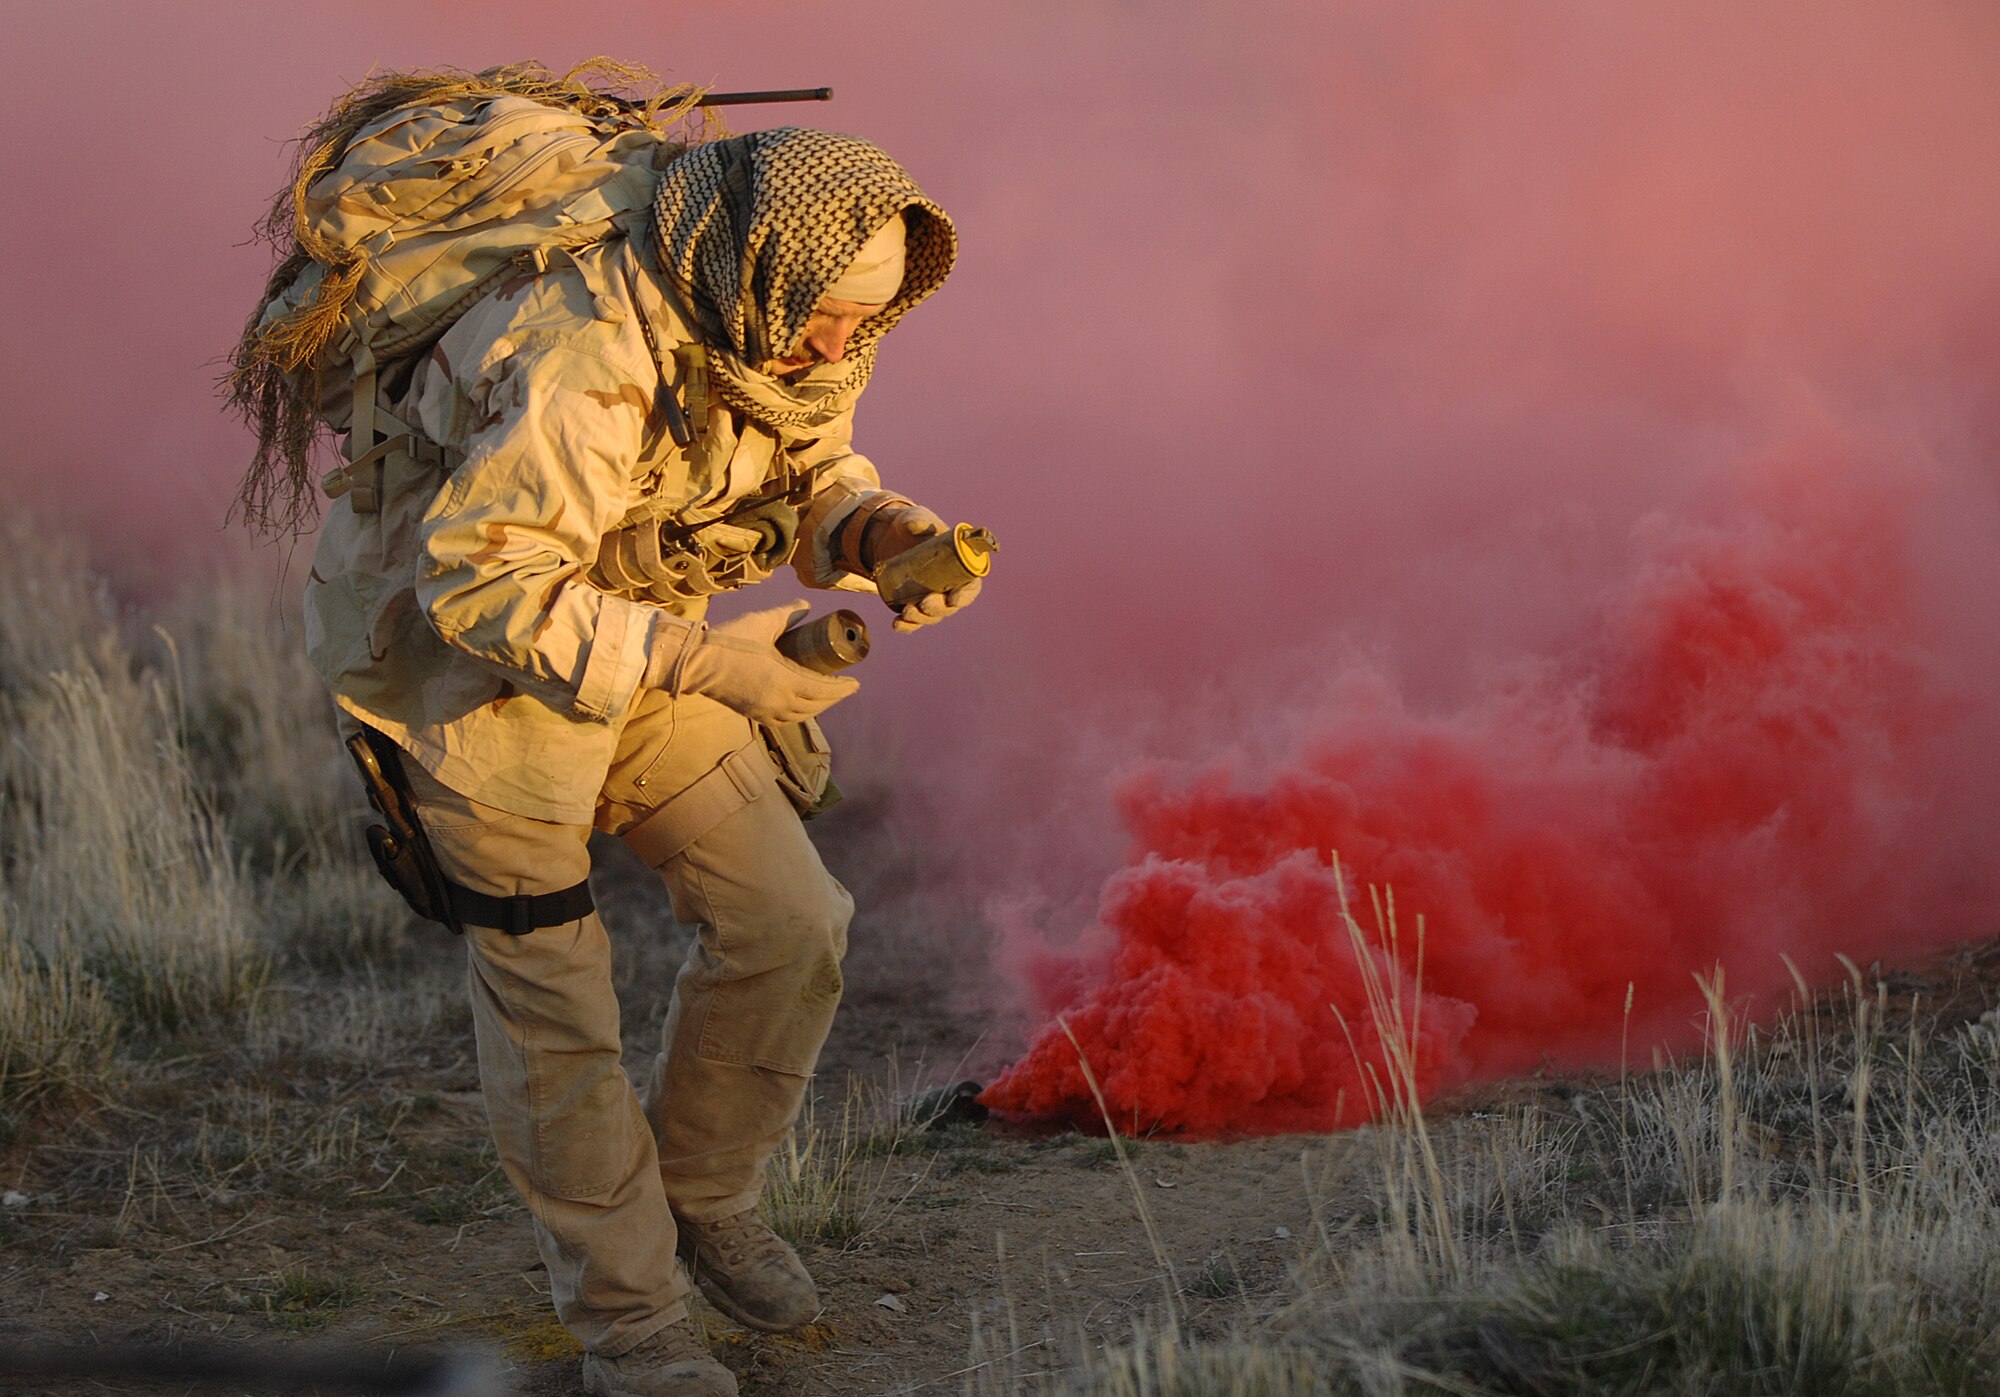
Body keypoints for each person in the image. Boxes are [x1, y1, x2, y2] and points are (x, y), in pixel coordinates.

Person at [300, 125, 974, 1397]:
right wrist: (718, 666)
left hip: (636, 631)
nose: (839, 347)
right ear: (768, 264)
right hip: (464, 682)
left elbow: (805, 455)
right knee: (559, 1004)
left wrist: (882, 530)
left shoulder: (778, 314)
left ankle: (704, 1194)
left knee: (791, 920)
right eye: (829, 316)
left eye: (865, 322)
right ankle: (634, 1317)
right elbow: (480, 587)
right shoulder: (579, 352)